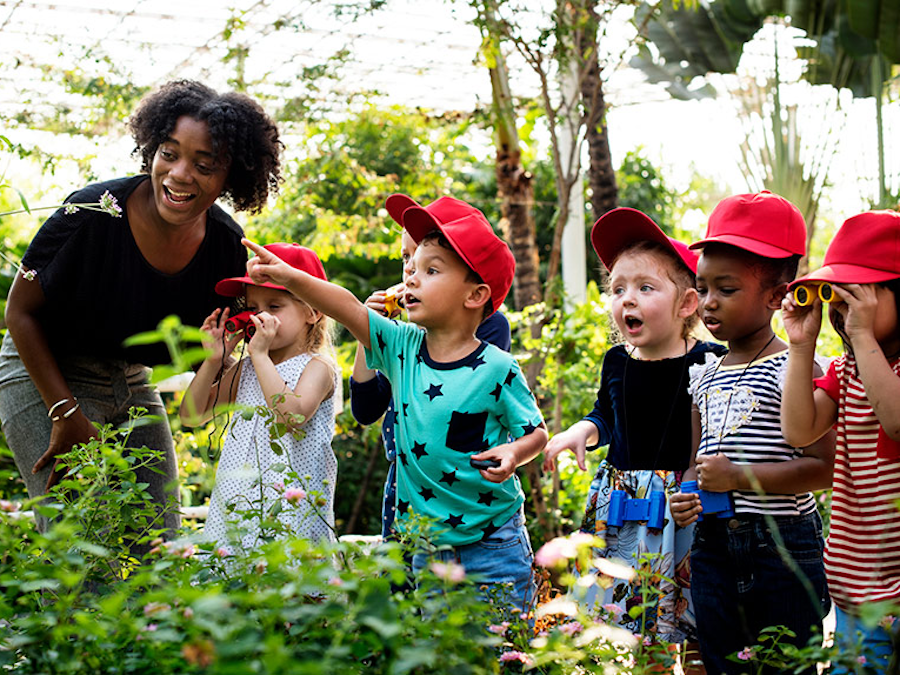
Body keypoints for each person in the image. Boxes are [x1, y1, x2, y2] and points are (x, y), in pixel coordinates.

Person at [0, 80, 282, 540]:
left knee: (159, 542)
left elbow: (219, 356)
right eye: (169, 153)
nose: (179, 173)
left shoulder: (226, 247)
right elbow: (19, 313)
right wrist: (64, 413)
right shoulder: (91, 213)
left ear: (231, 177)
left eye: (204, 164)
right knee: (79, 541)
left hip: (130, 378)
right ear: (151, 148)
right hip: (44, 372)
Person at [241, 196, 548, 614]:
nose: (411, 278)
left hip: (492, 542)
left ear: (475, 294)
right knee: (430, 650)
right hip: (423, 543)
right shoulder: (400, 344)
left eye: (430, 270)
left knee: (498, 650)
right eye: (412, 265)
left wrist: (514, 452)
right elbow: (346, 307)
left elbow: (536, 433)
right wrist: (290, 278)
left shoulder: (498, 365)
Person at [542, 208, 724, 671]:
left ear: (687, 304)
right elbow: (607, 413)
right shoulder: (616, 361)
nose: (628, 299)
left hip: (685, 509)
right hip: (623, 510)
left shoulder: (709, 360)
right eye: (617, 288)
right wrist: (581, 430)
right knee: (642, 628)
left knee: (697, 623)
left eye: (645, 287)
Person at [669, 191, 833, 675]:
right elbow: (697, 461)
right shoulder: (705, 373)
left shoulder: (796, 368)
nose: (709, 302)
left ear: (777, 296)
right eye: (703, 287)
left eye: (727, 289)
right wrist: (686, 493)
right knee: (722, 664)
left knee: (787, 664)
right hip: (712, 546)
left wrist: (739, 476)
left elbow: (822, 469)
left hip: (781, 547)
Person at [349, 193, 511, 541]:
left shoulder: (491, 327)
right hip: (406, 480)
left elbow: (467, 399)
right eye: (406, 258)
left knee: (465, 588)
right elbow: (365, 409)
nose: (410, 270)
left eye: (428, 265)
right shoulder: (401, 335)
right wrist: (369, 331)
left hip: (464, 488)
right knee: (404, 586)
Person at [780, 210, 900, 672]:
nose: (841, 312)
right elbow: (799, 430)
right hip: (853, 591)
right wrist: (801, 345)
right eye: (836, 296)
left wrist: (864, 334)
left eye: (857, 296)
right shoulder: (845, 370)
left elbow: (896, 422)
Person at [180, 243, 338, 551]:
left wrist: (260, 356)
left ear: (313, 312)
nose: (258, 316)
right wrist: (213, 360)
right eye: (252, 308)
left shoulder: (318, 367)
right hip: (238, 510)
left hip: (291, 516)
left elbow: (290, 417)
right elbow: (191, 415)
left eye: (274, 306)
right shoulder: (249, 366)